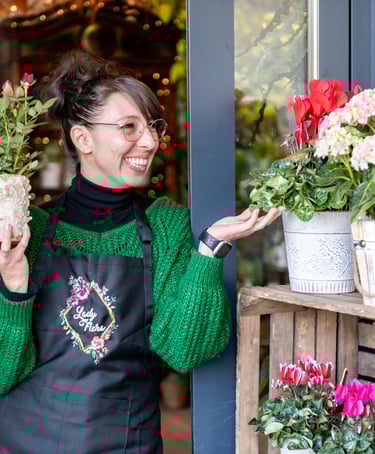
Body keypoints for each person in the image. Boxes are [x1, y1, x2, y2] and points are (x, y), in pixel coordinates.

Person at [0, 50, 279, 453]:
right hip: (26, 443)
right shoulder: (30, 230)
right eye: (129, 127)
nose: (149, 141)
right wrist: (13, 291)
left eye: (152, 126)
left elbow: (185, 351)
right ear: (83, 138)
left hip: (126, 443)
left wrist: (209, 250)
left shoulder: (164, 227)